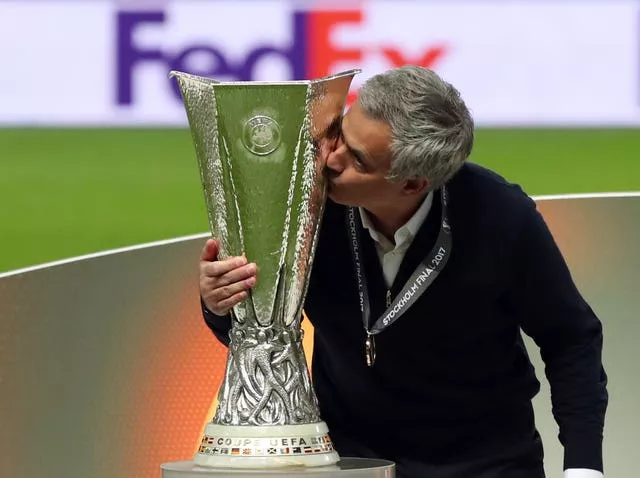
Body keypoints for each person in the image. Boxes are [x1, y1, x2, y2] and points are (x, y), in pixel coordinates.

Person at [198, 65, 608, 478]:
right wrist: (221, 303)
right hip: (351, 462)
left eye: (357, 159)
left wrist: (584, 466)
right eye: (340, 134)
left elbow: (571, 339)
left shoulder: (502, 217)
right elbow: (266, 335)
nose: (331, 160)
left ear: (412, 183)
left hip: (485, 463)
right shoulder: (304, 205)